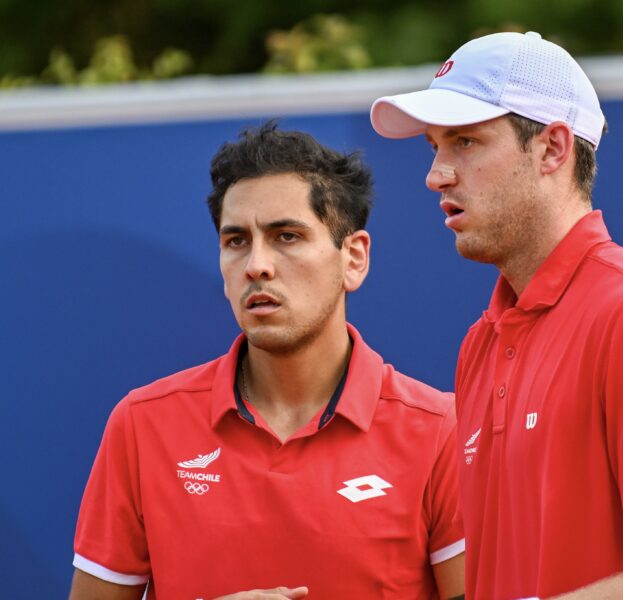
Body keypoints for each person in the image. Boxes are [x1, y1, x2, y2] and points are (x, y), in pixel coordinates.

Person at [371, 31, 623, 600]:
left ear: (553, 149)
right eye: (434, 148)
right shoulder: (481, 342)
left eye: (466, 143)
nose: (437, 174)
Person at [70, 122, 465, 600]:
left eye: (287, 236)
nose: (257, 264)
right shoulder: (141, 424)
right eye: (236, 241)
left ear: (354, 258)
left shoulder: (441, 431)